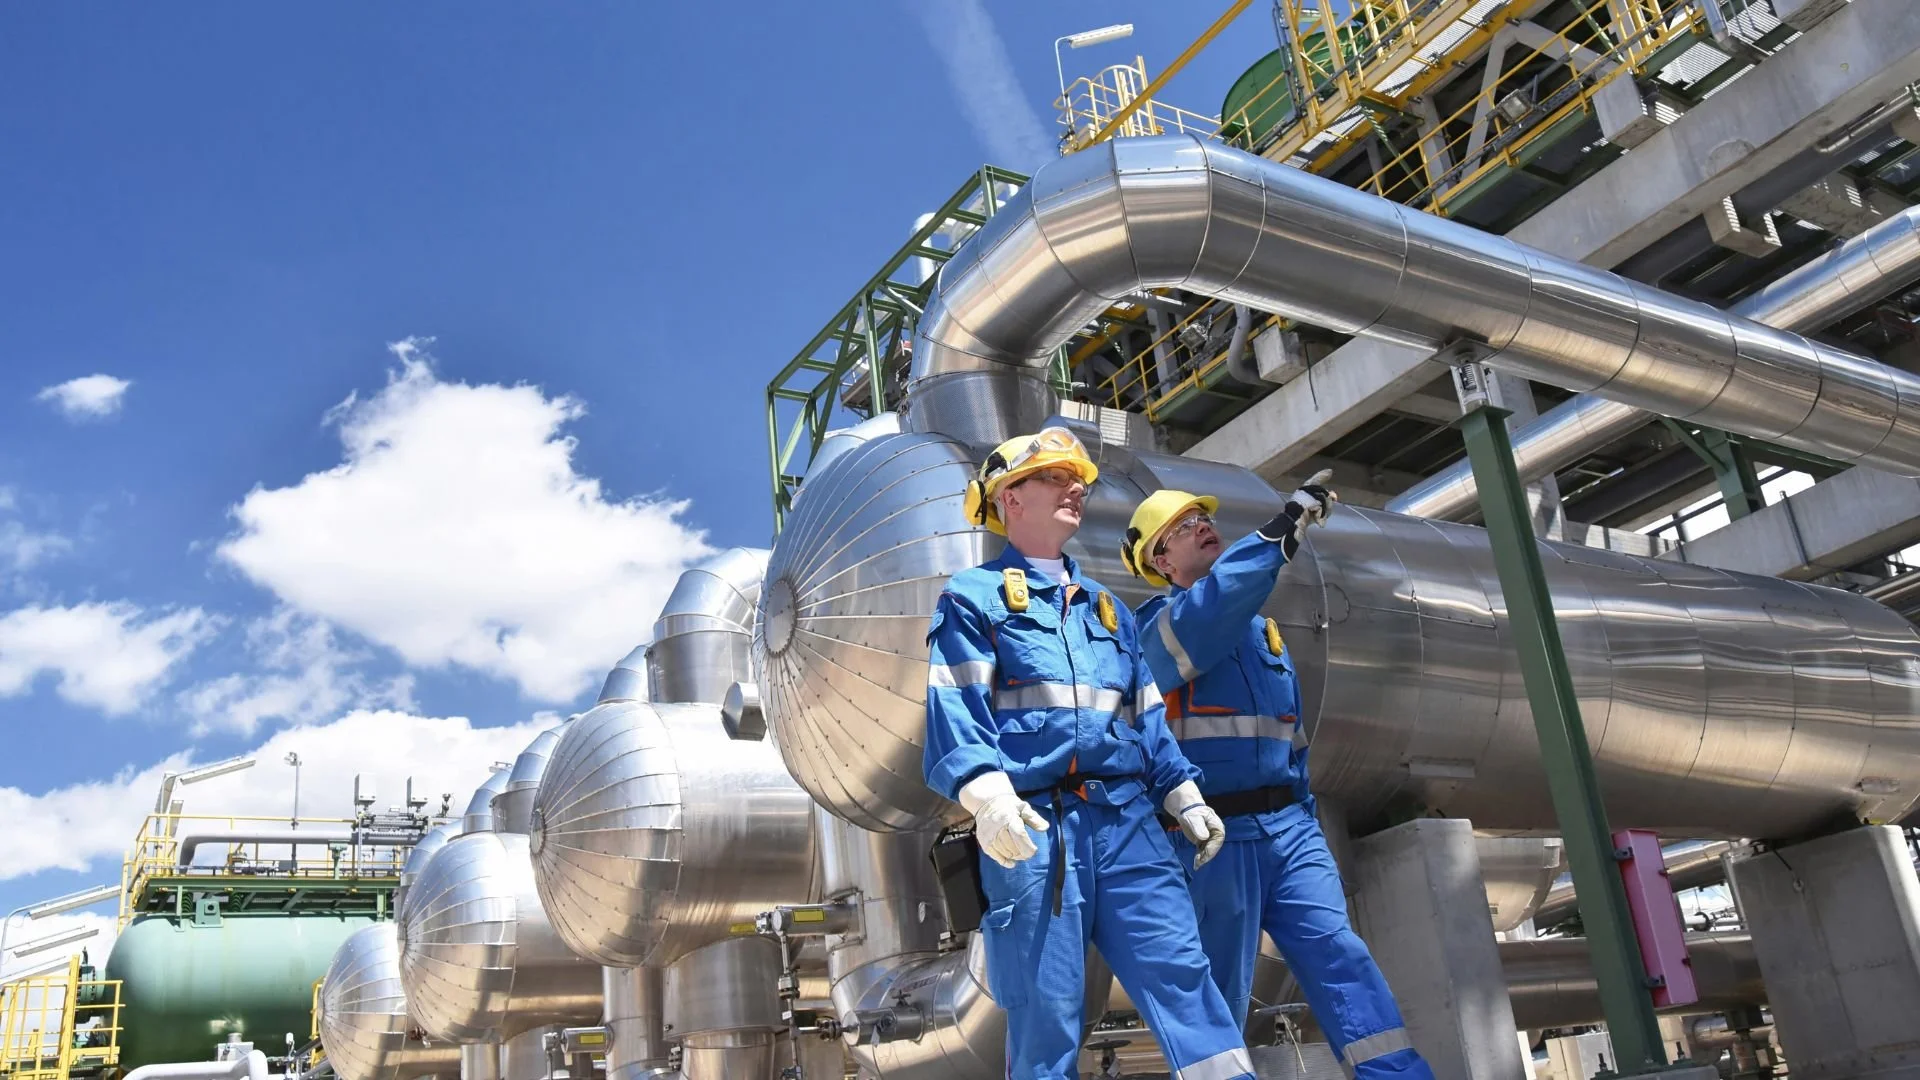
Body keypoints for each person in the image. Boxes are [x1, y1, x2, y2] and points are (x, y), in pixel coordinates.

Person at [923, 427, 1256, 1080]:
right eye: (1054, 477)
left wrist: (1182, 793)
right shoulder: (973, 598)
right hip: (1037, 828)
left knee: (1185, 982)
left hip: (1130, 824)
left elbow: (1146, 714)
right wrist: (989, 800)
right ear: (1009, 500)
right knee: (1045, 1017)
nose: (1075, 487)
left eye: (1078, 479)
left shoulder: (1109, 611)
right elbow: (955, 707)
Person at [1121, 479, 1434, 1079]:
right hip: (1212, 838)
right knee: (1218, 991)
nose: (1200, 527)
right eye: (1181, 527)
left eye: (1201, 517)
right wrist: (1280, 530)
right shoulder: (1154, 632)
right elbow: (1214, 607)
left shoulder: (1262, 632)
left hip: (1289, 829)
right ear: (1160, 561)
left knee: (1340, 954)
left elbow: (1290, 738)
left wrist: (1305, 817)